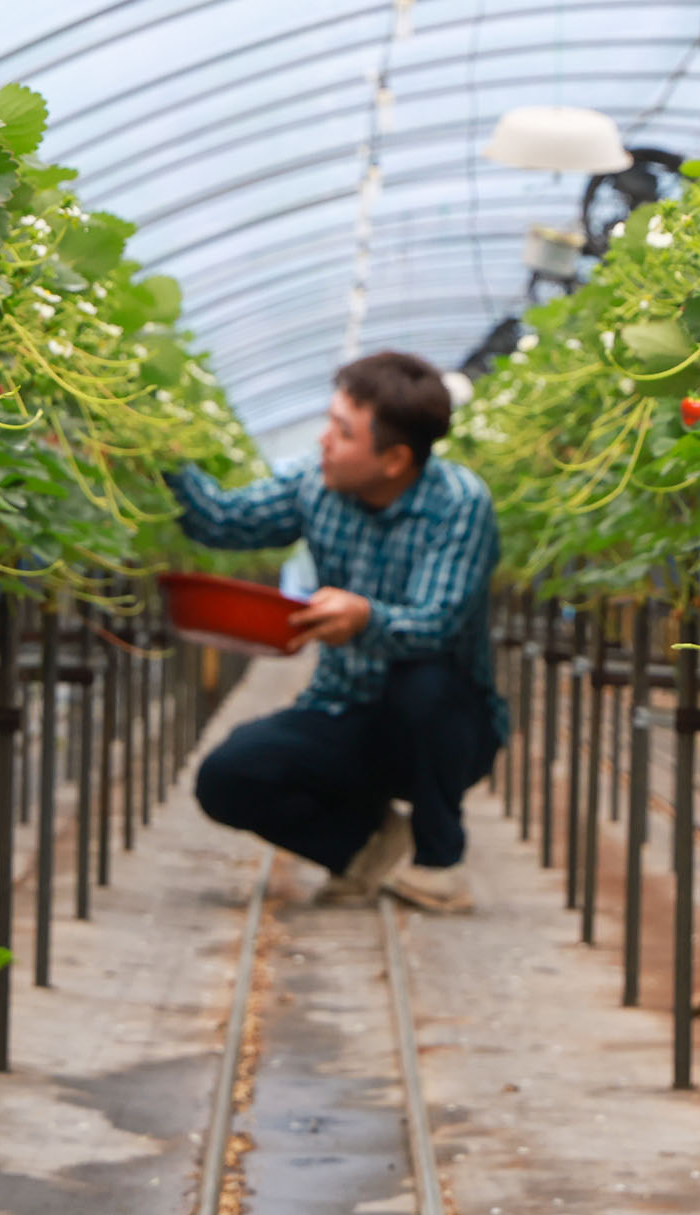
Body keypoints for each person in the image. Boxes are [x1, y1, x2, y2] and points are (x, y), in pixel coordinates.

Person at [169, 350, 504, 912]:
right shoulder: (316, 484)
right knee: (227, 778)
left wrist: (363, 618)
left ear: (395, 459)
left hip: (445, 729)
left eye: (342, 431)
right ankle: (365, 844)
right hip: (342, 707)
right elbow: (223, 520)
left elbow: (438, 622)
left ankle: (439, 863)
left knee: (423, 681)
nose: (324, 439)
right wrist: (162, 458)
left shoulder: (460, 504)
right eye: (329, 422)